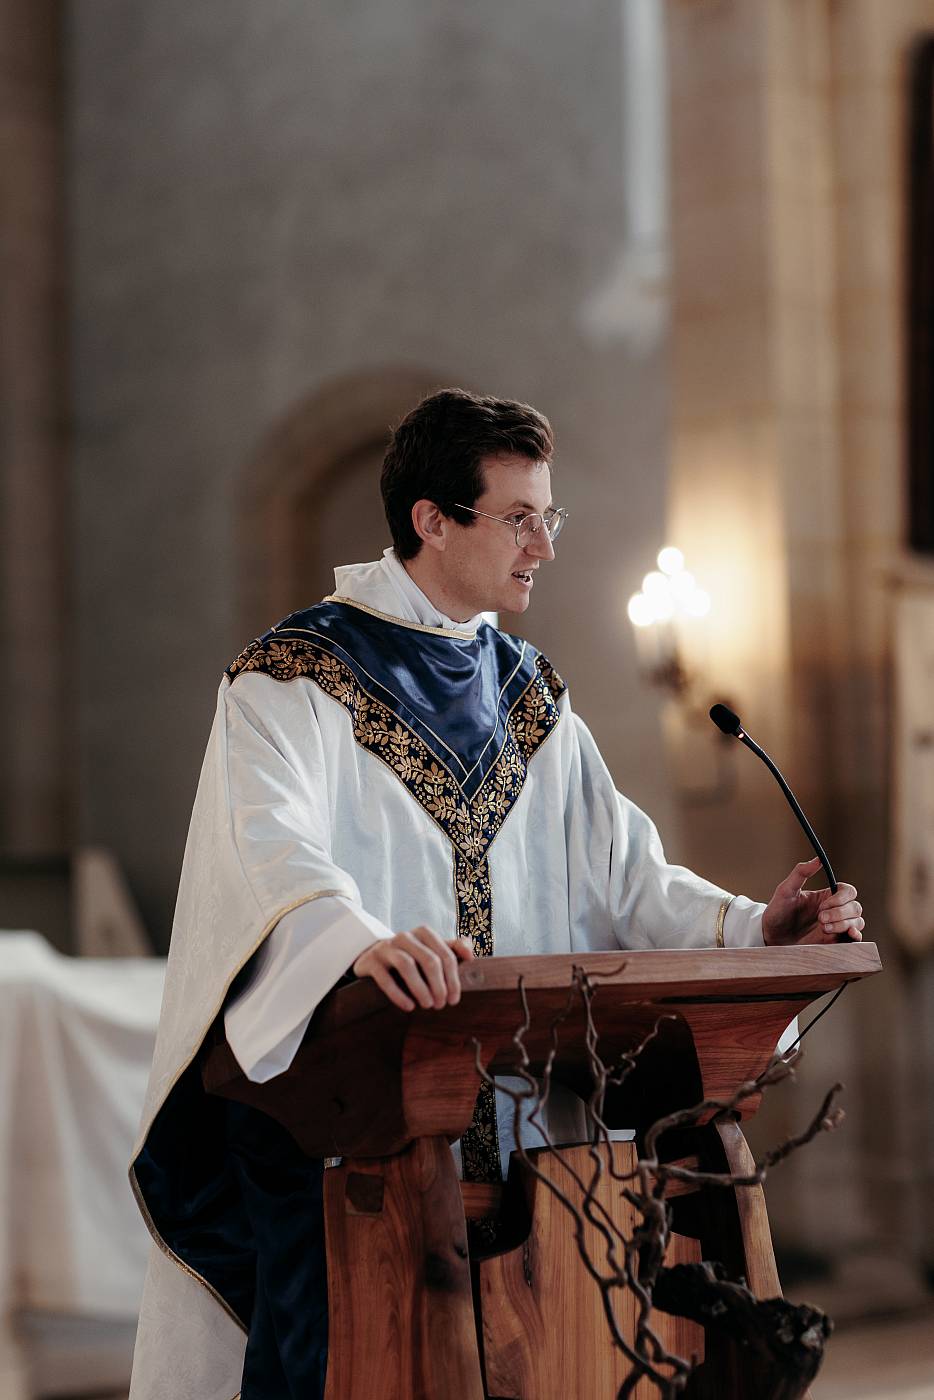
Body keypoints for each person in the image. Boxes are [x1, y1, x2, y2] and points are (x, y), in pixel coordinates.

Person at [128, 388, 864, 1400]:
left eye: (547, 516)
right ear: (432, 519)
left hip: (528, 1129)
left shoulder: (532, 698)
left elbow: (624, 876)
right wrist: (350, 942)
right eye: (520, 517)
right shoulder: (292, 678)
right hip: (347, 1122)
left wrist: (753, 924)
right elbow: (268, 845)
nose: (544, 545)